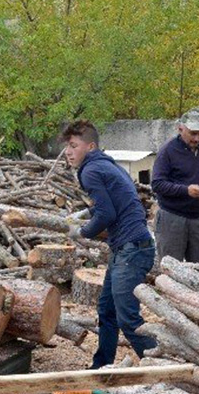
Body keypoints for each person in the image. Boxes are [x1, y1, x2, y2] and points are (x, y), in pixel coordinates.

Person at [64, 120, 156, 369]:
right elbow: (109, 206)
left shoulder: (90, 171)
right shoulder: (106, 166)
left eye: (74, 146)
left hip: (132, 249)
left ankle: (162, 369)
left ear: (91, 146)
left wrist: (82, 232)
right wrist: (87, 216)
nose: (68, 152)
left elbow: (106, 214)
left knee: (128, 319)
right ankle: (102, 366)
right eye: (67, 146)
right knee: (107, 310)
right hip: (128, 247)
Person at [151, 108, 199, 264]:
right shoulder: (168, 151)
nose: (197, 138)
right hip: (172, 219)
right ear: (181, 129)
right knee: (171, 267)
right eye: (193, 133)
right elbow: (157, 184)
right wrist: (186, 190)